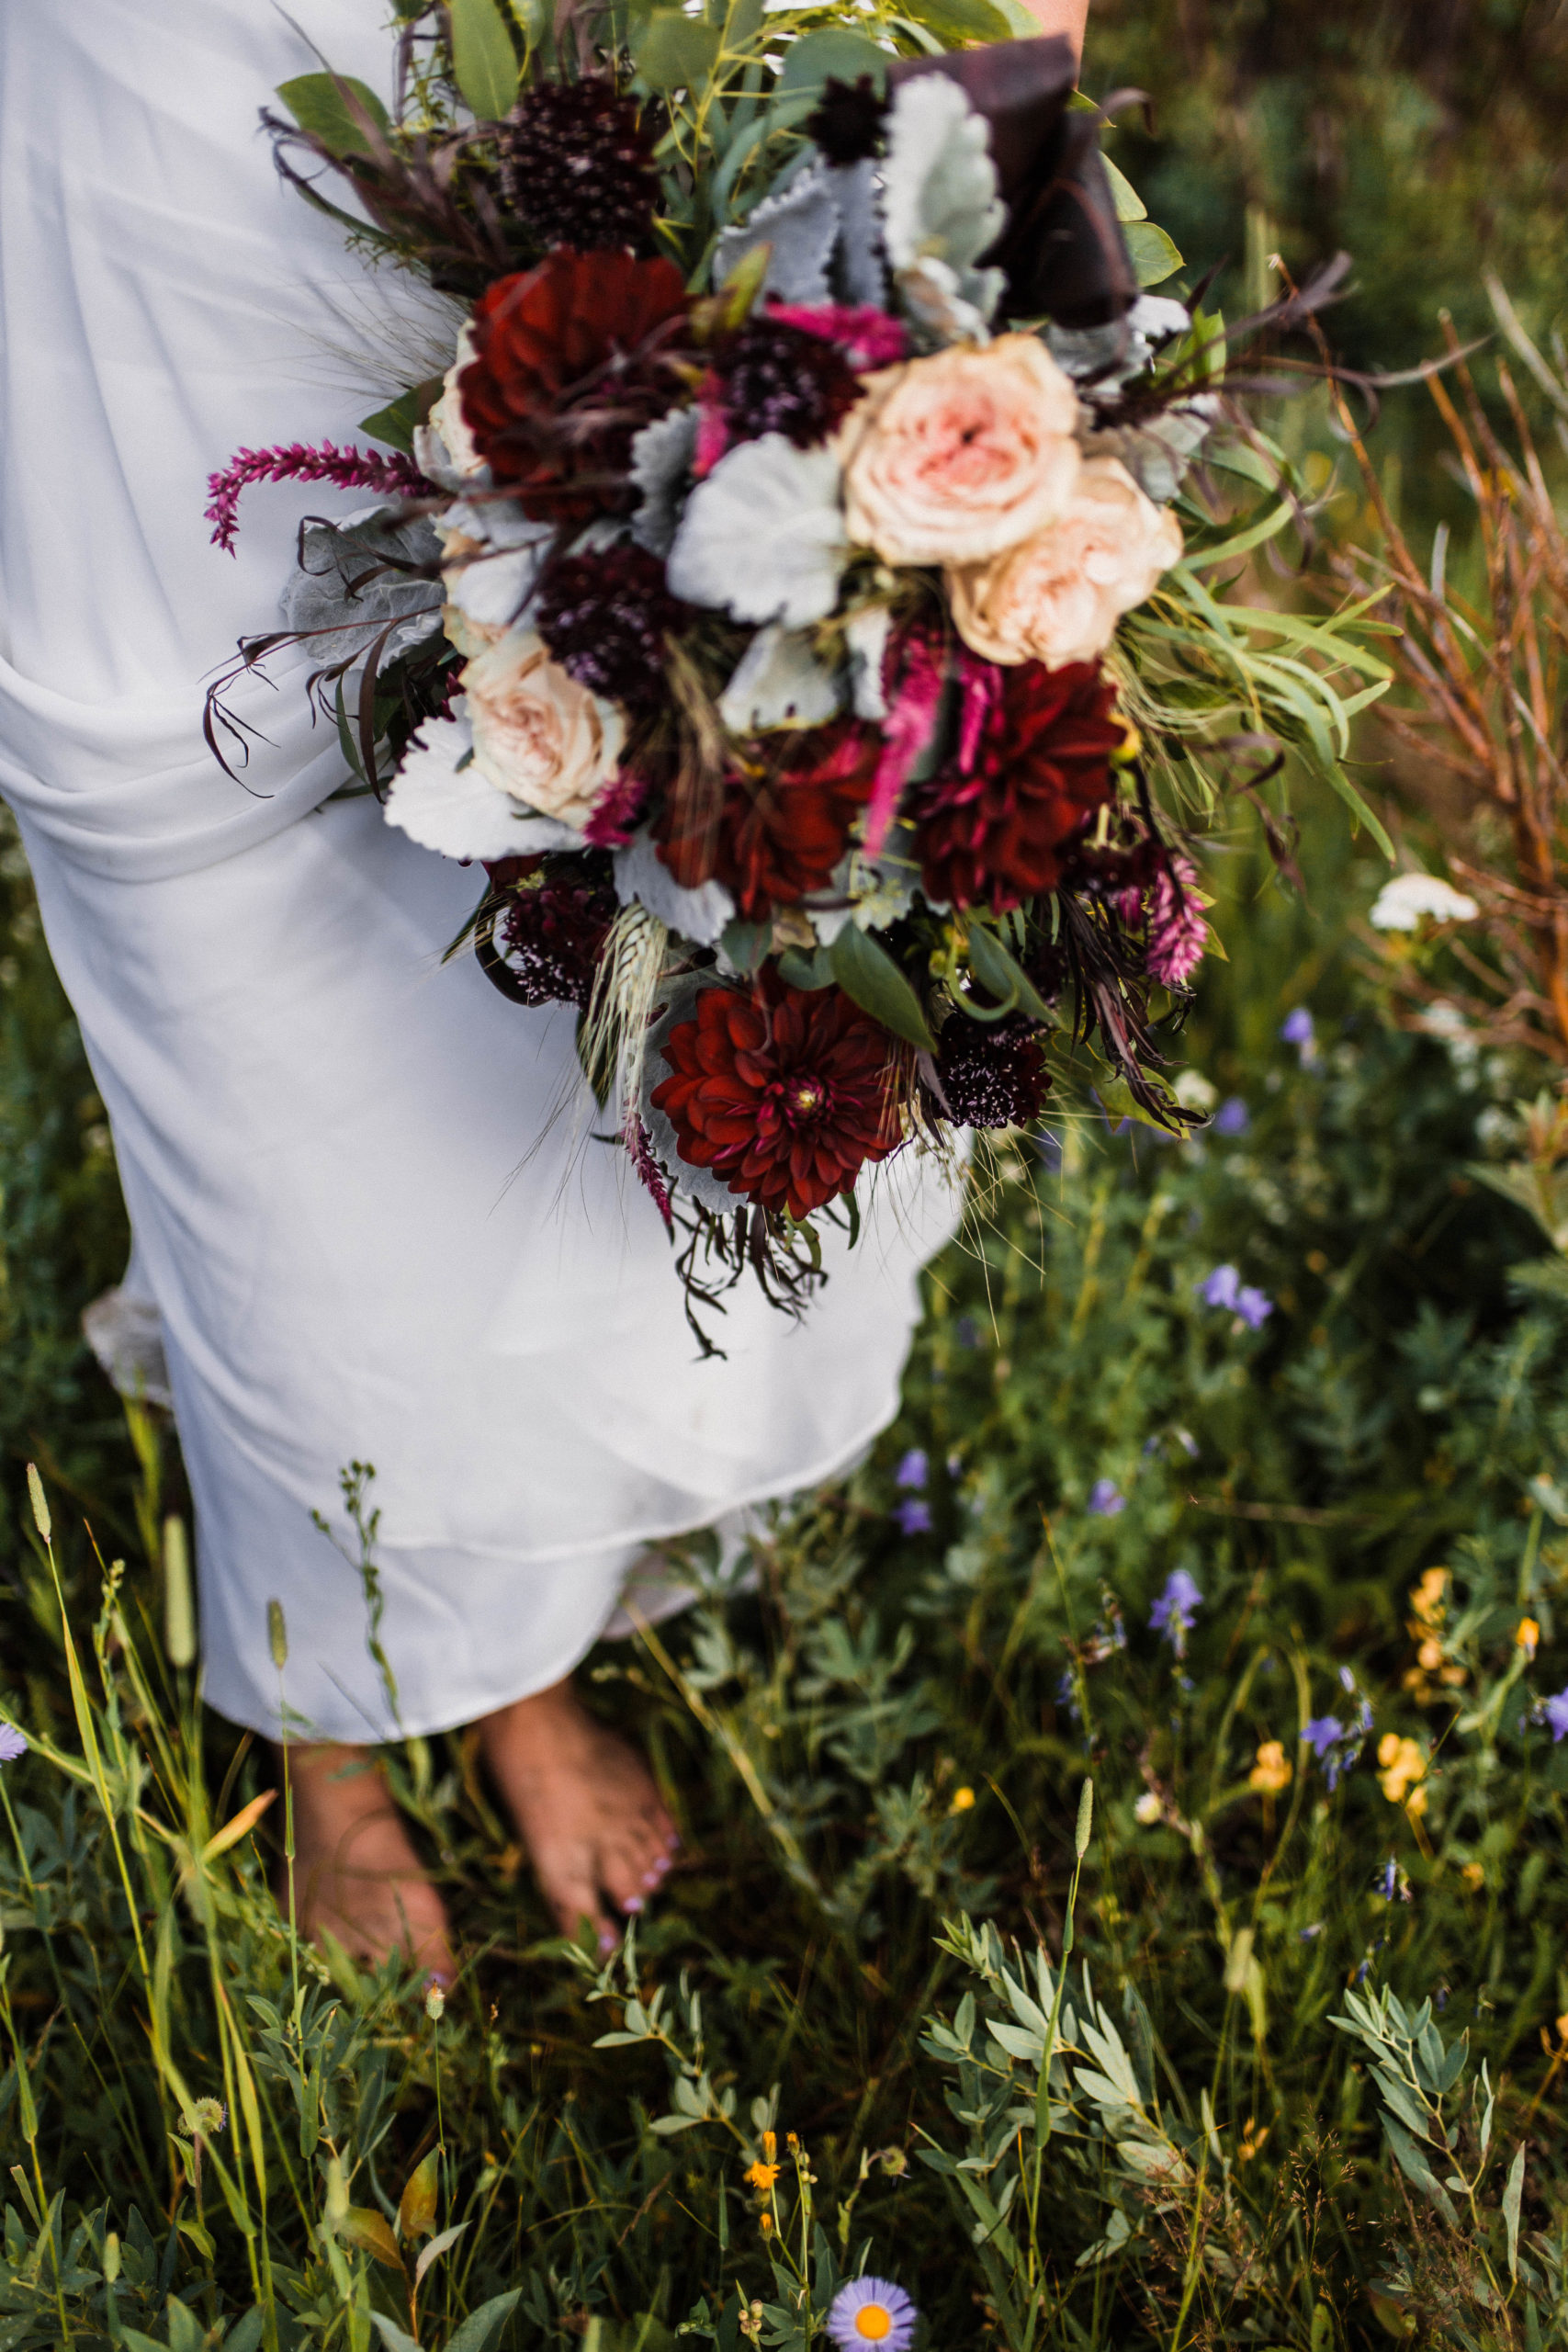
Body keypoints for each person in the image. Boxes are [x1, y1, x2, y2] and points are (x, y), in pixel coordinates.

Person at [0, 0, 1086, 1986]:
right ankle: (331, 1711)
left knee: (566, 886)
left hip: (524, 50)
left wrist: (988, 119)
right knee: (212, 899)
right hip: (143, 121)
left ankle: (512, 1643)